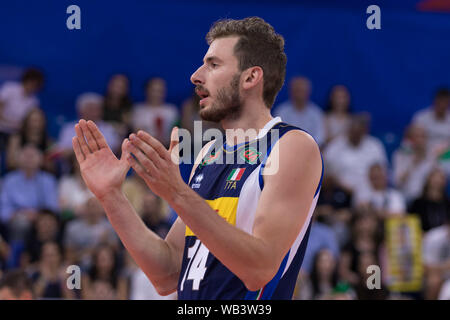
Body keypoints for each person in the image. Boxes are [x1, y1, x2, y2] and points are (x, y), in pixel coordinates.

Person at [71, 17, 323, 300]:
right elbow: (166, 273)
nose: (196, 75)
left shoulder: (292, 146)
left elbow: (259, 269)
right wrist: (111, 196)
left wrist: (177, 192)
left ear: (251, 78)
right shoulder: (209, 154)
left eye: (213, 65)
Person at [0, 145, 59, 242]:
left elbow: (52, 207)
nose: (29, 160)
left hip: (41, 218)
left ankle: (45, 252)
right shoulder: (9, 180)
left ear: (40, 160)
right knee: (21, 223)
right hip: (17, 218)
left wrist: (37, 215)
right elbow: (3, 210)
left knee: (47, 223)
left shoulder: (48, 180)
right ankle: (17, 254)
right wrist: (19, 214)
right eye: (26, 156)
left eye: (32, 156)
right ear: (18, 159)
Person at [323, 113, 387, 194]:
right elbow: (326, 174)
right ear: (348, 130)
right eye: (352, 132)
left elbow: (383, 173)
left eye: (358, 133)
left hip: (369, 192)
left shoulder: (375, 146)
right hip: (341, 191)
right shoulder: (335, 147)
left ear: (364, 131)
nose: (355, 135)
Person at [58, 92, 120, 158]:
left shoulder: (108, 128)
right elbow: (63, 150)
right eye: (90, 109)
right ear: (80, 111)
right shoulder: (68, 129)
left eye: (96, 109)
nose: (93, 112)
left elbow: (112, 149)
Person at [273, 76, 325, 146]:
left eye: (302, 91)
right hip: (286, 149)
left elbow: (320, 137)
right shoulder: (281, 111)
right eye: (297, 91)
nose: (300, 95)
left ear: (308, 92)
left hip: (310, 150)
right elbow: (276, 135)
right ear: (291, 92)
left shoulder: (316, 113)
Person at [0, 68, 44, 148]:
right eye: (32, 82)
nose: (33, 86)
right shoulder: (9, 88)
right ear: (26, 80)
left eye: (36, 85)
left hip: (16, 134)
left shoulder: (34, 101)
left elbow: (29, 121)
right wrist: (10, 122)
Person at [131, 77, 179, 147]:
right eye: (154, 90)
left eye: (160, 91)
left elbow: (177, 134)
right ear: (146, 91)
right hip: (144, 148)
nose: (157, 94)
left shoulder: (172, 110)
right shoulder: (138, 110)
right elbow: (136, 132)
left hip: (168, 148)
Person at [6, 107, 55, 173]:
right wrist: (32, 163)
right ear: (26, 121)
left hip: (41, 177)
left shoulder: (49, 142)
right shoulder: (16, 139)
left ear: (44, 122)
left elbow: (51, 167)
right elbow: (11, 163)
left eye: (39, 121)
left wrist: (30, 161)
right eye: (33, 120)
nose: (36, 124)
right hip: (18, 175)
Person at [412, 88, 450, 152]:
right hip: (424, 154)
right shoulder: (421, 117)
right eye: (440, 102)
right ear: (434, 101)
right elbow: (414, 139)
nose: (442, 105)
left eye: (445, 102)